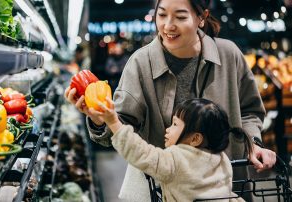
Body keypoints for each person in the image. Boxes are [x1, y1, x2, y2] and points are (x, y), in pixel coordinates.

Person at [65, 0, 276, 200]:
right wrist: (101, 120)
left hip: (223, 187)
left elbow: (249, 110)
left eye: (180, 17)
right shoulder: (141, 64)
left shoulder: (228, 55)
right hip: (164, 192)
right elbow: (122, 124)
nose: (168, 25)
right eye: (162, 14)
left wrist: (253, 143)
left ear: (201, 17)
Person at [95, 98, 249, 201]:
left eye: (175, 124)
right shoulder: (221, 158)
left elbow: (141, 153)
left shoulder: (175, 160)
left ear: (195, 139)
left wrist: (114, 122)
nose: (168, 129)